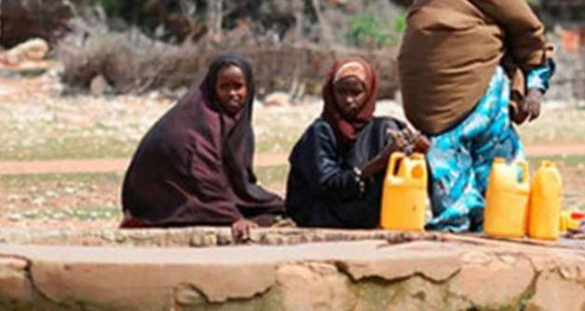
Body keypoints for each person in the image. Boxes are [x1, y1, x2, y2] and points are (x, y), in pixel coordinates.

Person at [397, 0, 554, 231]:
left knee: (498, 173)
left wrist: (534, 90)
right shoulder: (431, 0)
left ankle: (502, 222)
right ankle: (458, 228)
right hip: (441, 111)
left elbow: (532, 43)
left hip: (488, 103)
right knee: (446, 163)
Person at [120, 54, 284, 242]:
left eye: (238, 86)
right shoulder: (201, 124)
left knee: (276, 209)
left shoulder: (236, 122)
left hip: (207, 192)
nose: (232, 94)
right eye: (224, 87)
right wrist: (233, 217)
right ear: (212, 89)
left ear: (249, 88)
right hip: (168, 201)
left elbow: (238, 180)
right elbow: (202, 178)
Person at [285, 58, 427, 229]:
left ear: (369, 93)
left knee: (389, 127)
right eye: (342, 92)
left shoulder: (378, 129)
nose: (349, 100)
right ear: (331, 92)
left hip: (359, 205)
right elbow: (329, 185)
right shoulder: (320, 132)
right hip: (324, 209)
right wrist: (379, 161)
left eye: (356, 93)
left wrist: (419, 149)